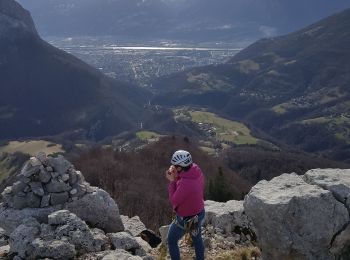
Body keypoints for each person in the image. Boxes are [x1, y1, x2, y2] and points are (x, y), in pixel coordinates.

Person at [165, 150, 205, 260]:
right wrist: (177, 176)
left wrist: (172, 181)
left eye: (175, 166)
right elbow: (185, 182)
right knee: (197, 240)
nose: (173, 167)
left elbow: (174, 200)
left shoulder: (186, 183)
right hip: (199, 212)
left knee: (171, 240)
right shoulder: (195, 170)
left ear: (179, 168)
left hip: (185, 218)